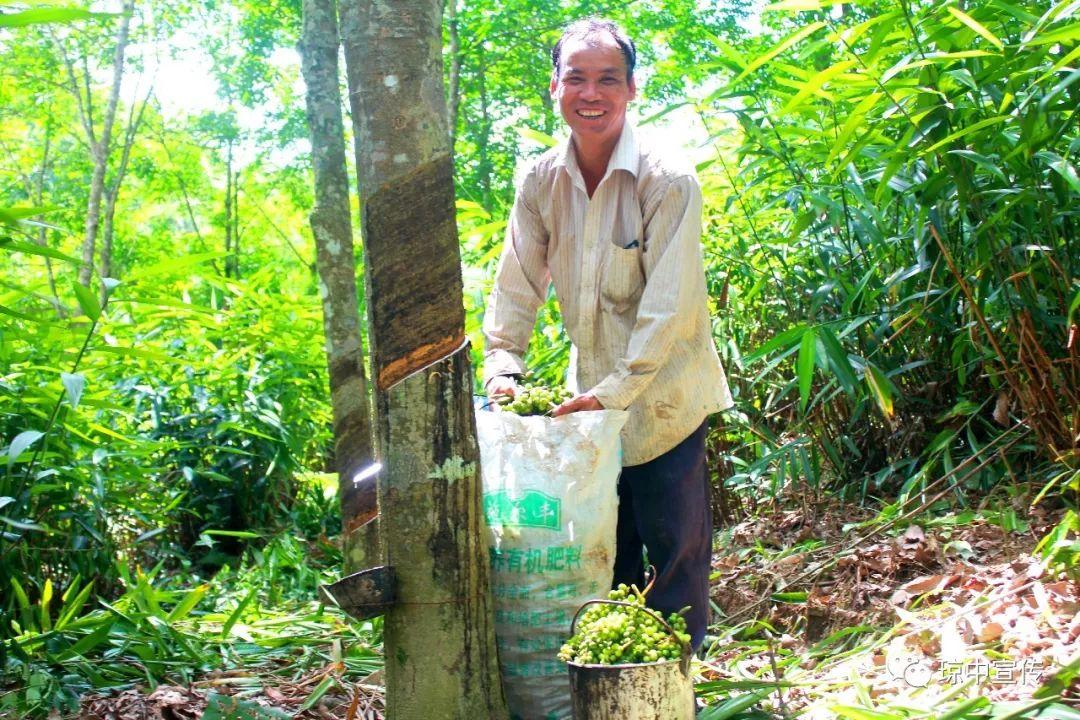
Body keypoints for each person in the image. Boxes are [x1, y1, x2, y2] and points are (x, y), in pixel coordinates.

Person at [481, 17, 733, 650]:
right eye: (577, 78)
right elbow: (518, 279)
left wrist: (616, 392)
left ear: (632, 89)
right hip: (586, 402)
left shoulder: (666, 179)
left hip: (666, 395)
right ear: (554, 87)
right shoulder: (540, 179)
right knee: (601, 553)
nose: (590, 93)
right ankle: (604, 683)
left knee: (674, 554)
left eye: (607, 80)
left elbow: (670, 308)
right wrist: (502, 362)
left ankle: (676, 685)